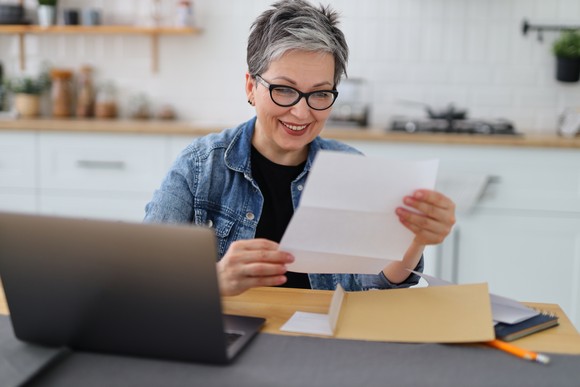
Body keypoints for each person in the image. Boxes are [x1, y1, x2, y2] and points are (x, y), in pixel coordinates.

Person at [144, 0, 456, 297]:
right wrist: (214, 280)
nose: (302, 113)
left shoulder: (351, 169)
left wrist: (414, 241)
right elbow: (144, 276)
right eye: (284, 90)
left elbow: (375, 285)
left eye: (319, 94)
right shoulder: (201, 167)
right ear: (251, 87)